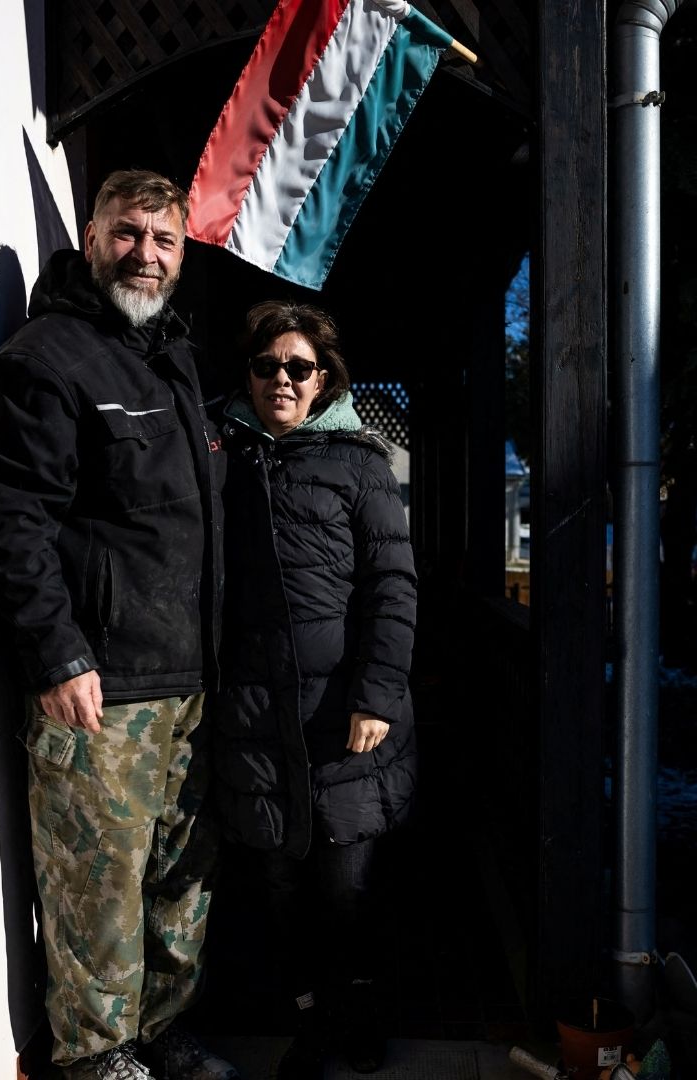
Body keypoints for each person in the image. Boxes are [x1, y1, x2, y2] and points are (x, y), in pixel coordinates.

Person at [0, 170, 235, 1080]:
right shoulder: (46, 360)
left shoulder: (173, 357)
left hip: (188, 678)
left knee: (178, 878)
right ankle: (95, 1055)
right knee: (97, 884)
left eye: (164, 241)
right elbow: (13, 523)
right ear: (91, 236)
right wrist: (57, 653)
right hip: (102, 686)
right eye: (129, 234)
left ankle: (160, 1030)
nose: (146, 255)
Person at [210, 302, 418, 1077]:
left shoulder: (361, 464)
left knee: (347, 888)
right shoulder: (222, 454)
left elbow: (394, 589)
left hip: (343, 720)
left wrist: (378, 696)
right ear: (251, 376)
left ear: (324, 378)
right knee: (277, 890)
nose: (283, 380)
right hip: (254, 717)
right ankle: (310, 1020)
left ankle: (353, 1019)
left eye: (299, 367)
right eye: (268, 367)